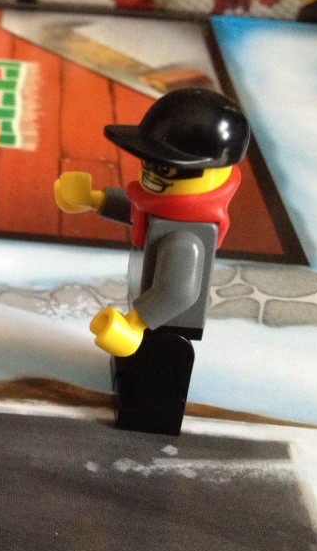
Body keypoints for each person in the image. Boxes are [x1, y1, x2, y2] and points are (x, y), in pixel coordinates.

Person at [54, 89, 250, 435]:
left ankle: (146, 418)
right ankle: (129, 387)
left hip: (166, 326)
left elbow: (177, 293)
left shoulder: (186, 234)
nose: (150, 173)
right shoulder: (162, 206)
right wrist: (93, 199)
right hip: (146, 314)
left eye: (163, 167)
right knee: (135, 364)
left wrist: (135, 323)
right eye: (148, 161)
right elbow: (136, 208)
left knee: (156, 381)